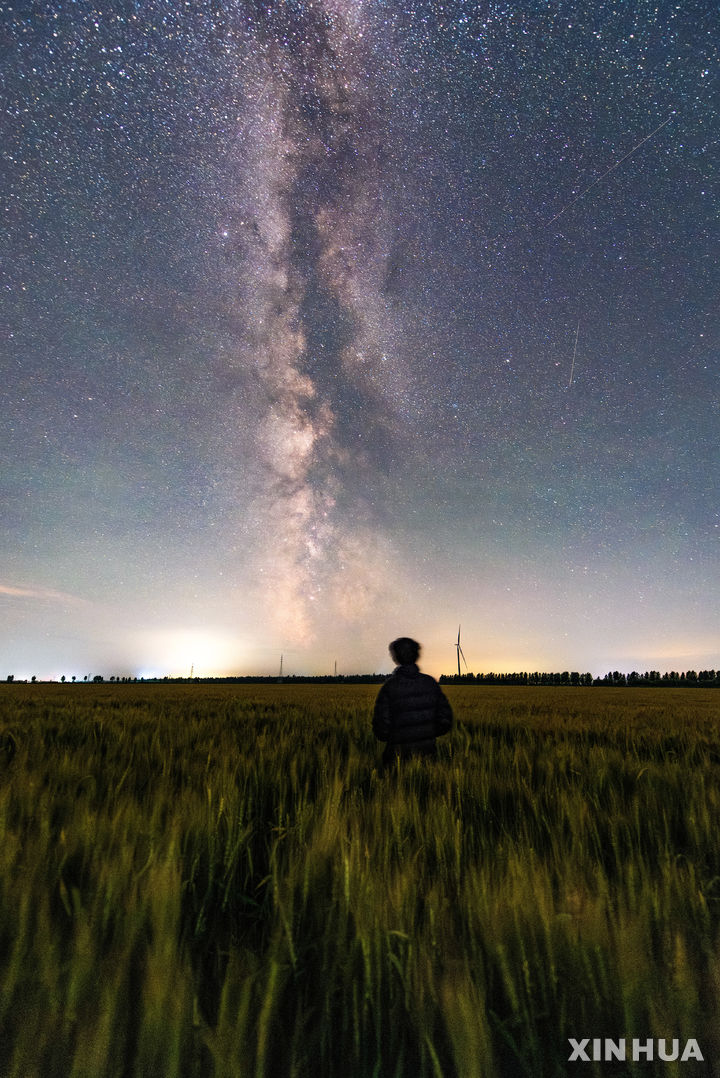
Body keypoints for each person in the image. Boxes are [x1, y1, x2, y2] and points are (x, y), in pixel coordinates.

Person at [372, 637, 453, 768]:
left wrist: (397, 738)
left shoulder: (390, 687)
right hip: (428, 757)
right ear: (416, 655)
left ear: (396, 658)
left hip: (396, 760)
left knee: (396, 787)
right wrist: (426, 735)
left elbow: (381, 728)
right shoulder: (430, 683)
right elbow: (445, 720)